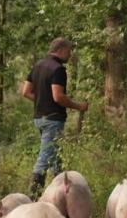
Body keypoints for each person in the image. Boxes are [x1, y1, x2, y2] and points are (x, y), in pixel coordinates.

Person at [22, 37, 89, 199]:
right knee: (45, 158)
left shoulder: (37, 65)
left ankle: (60, 196)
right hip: (53, 119)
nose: (70, 54)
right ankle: (32, 198)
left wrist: (41, 101)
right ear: (61, 50)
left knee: (56, 157)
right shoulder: (58, 69)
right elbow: (58, 97)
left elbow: (26, 92)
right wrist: (78, 106)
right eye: (69, 50)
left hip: (39, 118)